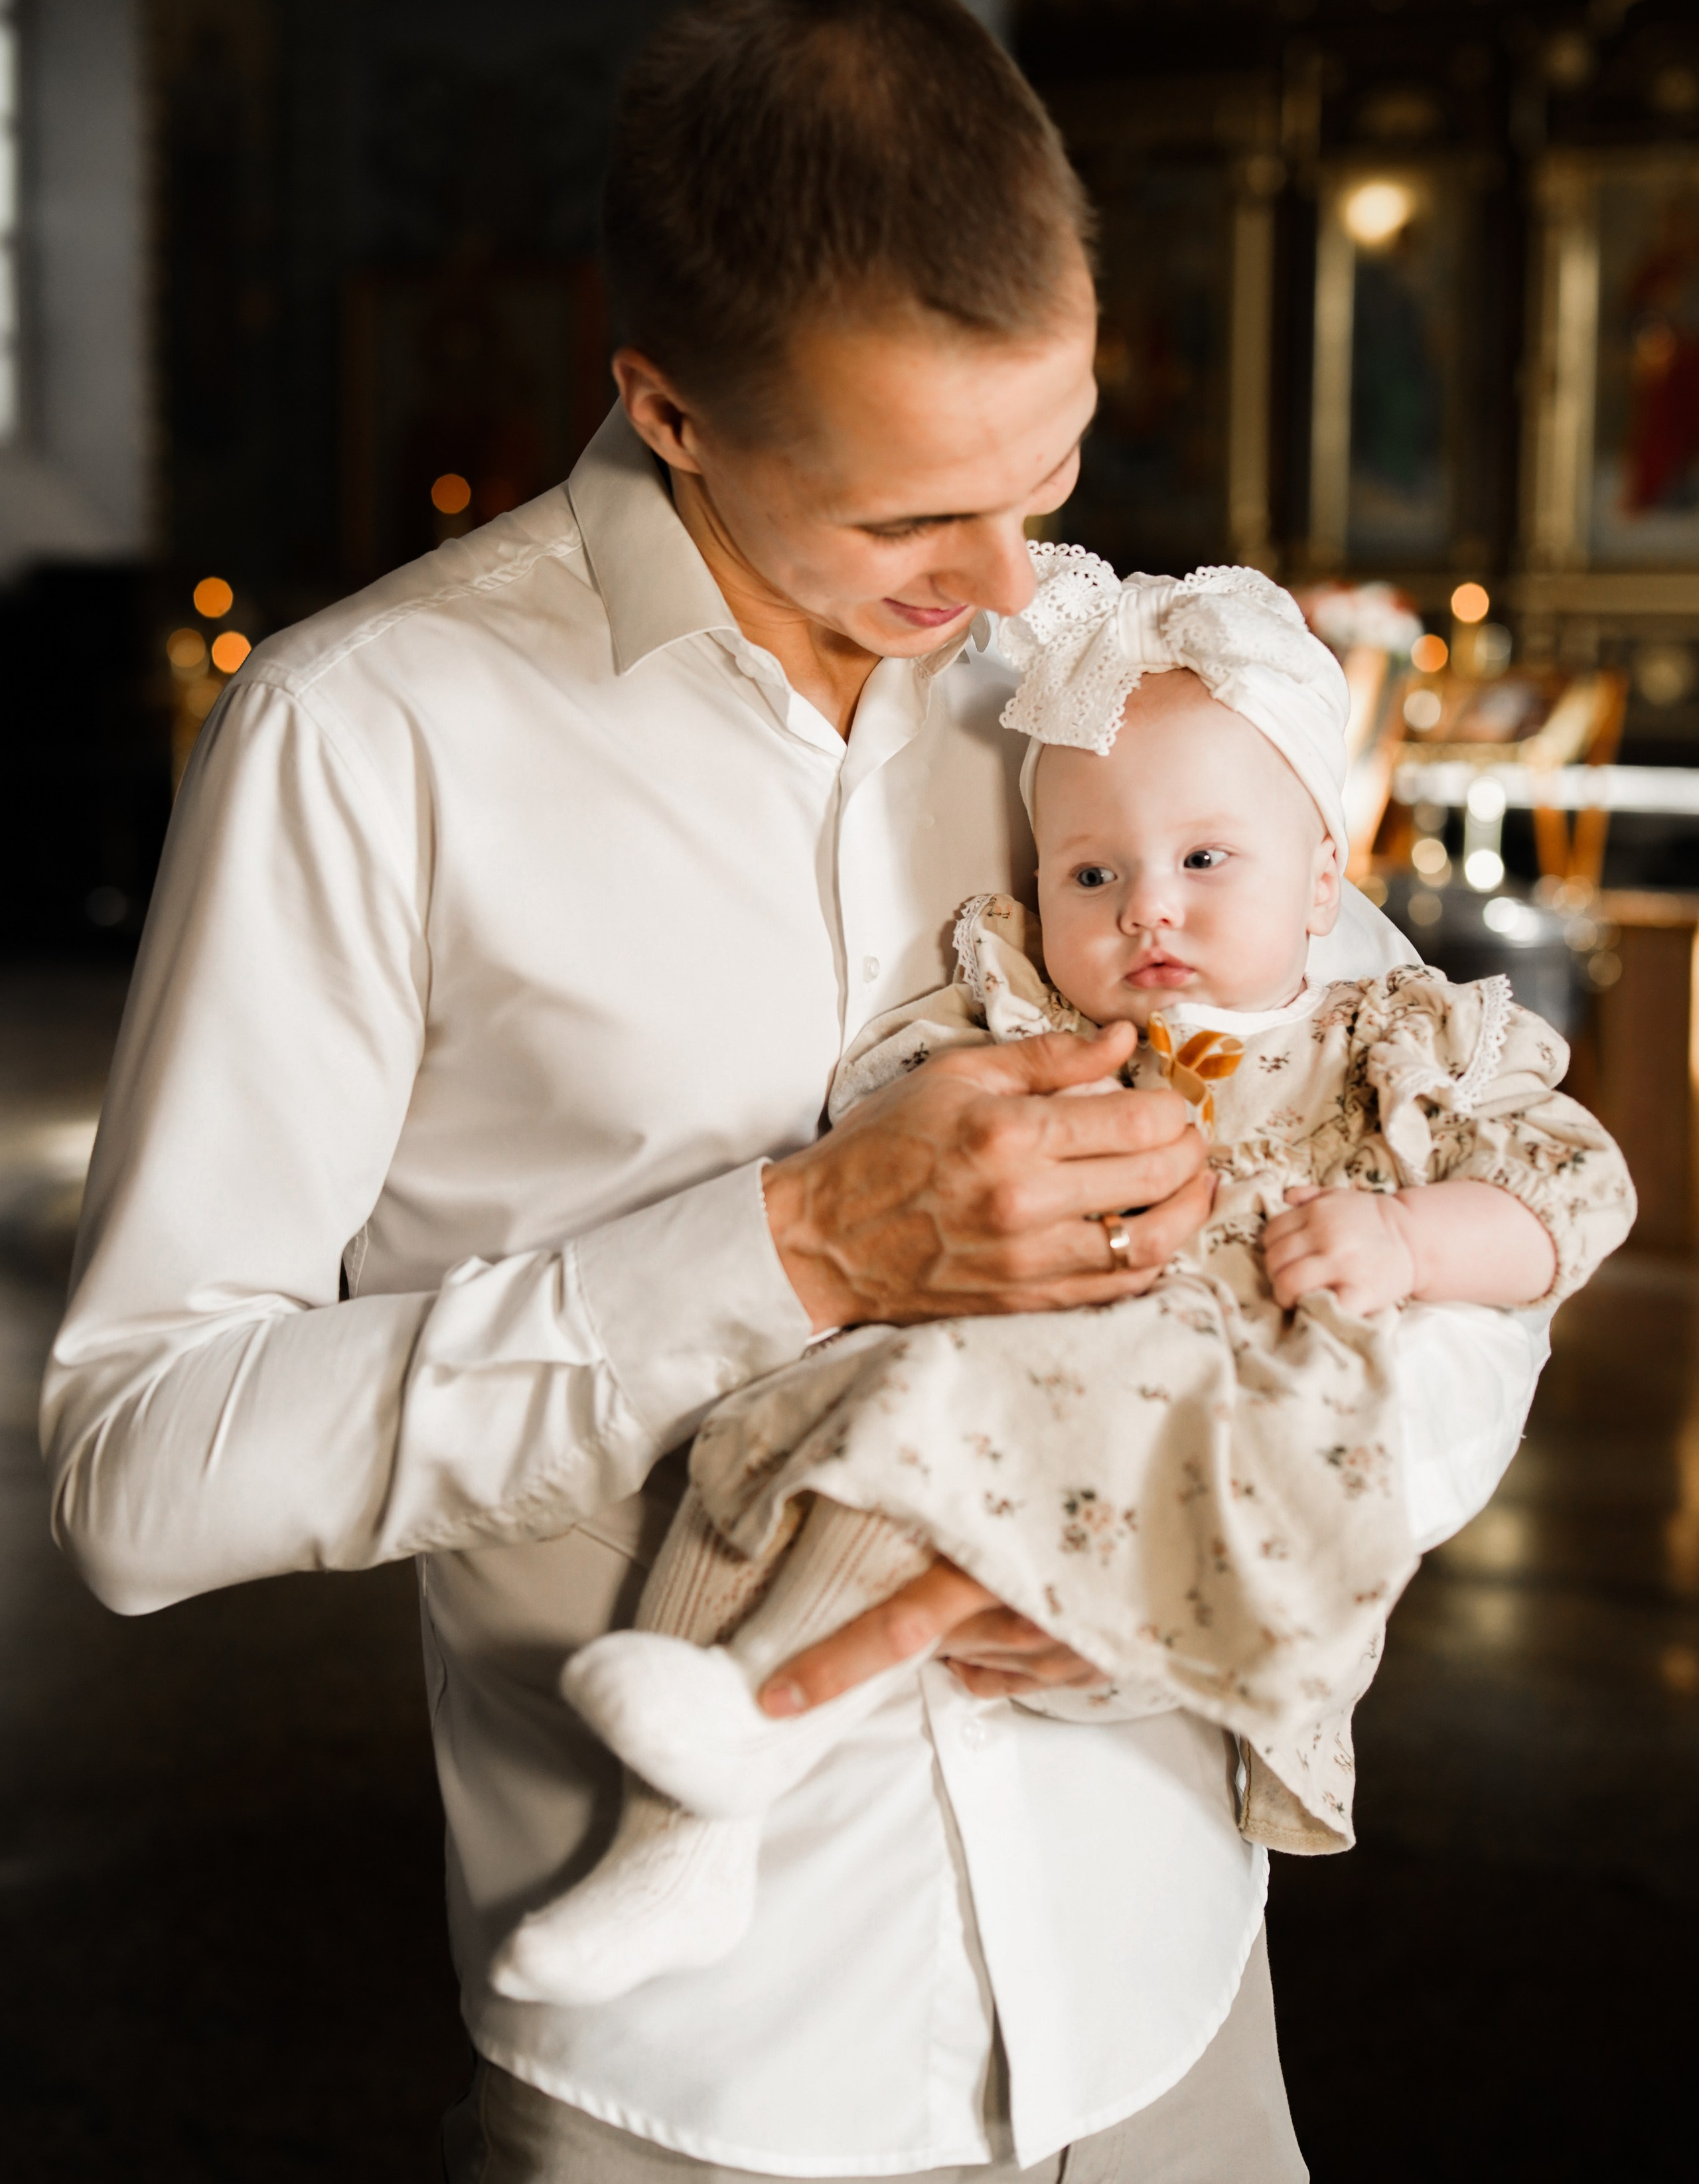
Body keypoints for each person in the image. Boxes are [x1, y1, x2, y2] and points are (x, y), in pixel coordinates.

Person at [42, 0, 1554, 2184]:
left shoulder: (1112, 680)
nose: (1009, 580)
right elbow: (136, 1472)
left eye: (1041, 478)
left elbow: (1469, 1179)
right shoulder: (369, 747)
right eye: (907, 522)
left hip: (1171, 1995)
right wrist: (790, 1249)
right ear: (668, 407)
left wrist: (1239, 1551)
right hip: (700, 2071)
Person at [489, 558, 1633, 2008]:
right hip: (999, 1362)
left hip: (1216, 1417)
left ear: (1322, 884)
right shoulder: (1026, 1014)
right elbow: (900, 1114)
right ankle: (673, 1847)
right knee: (770, 1441)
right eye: (1092, 875)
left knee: (943, 1443)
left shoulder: (1382, 1040)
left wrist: (1412, 1243)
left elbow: (1573, 1190)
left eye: (1205, 864)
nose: (1146, 910)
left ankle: (752, 1718)